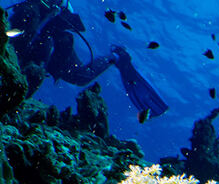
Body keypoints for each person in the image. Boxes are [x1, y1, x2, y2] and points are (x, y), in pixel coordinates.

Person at [6, 0, 167, 117]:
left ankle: (116, 56)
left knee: (72, 72)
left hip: (48, 41)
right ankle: (116, 56)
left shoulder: (56, 36)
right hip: (37, 43)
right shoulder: (30, 13)